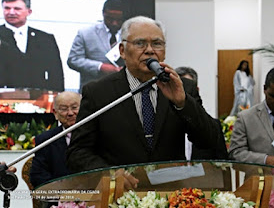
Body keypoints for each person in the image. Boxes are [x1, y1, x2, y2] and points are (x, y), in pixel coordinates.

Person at [67, 16, 221, 189]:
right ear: (122, 51)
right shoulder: (98, 92)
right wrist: (108, 174)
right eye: (140, 43)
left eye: (157, 44)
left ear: (164, 51)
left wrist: (183, 104)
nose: (149, 50)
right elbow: (78, 152)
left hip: (170, 192)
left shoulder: (183, 87)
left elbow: (211, 141)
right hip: (120, 194)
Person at [0, 0, 64, 91]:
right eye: (7, 8)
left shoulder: (45, 39)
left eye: (17, 9)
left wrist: (56, 97)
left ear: (29, 12)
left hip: (37, 96)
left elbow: (56, 73)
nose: (11, 12)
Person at [67, 0, 124, 92]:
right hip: (93, 91)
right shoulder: (85, 33)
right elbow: (73, 60)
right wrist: (100, 67)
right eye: (110, 18)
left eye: (119, 20)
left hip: (123, 91)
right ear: (103, 13)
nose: (114, 23)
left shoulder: (132, 34)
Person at [30, 91, 81, 188]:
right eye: (64, 109)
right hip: (58, 198)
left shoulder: (96, 135)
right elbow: (38, 176)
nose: (70, 113)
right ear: (55, 113)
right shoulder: (45, 140)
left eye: (74, 108)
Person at [175, 66, 228, 160]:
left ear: (197, 90)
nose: (182, 94)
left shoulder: (212, 127)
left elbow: (223, 164)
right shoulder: (163, 127)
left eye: (187, 88)